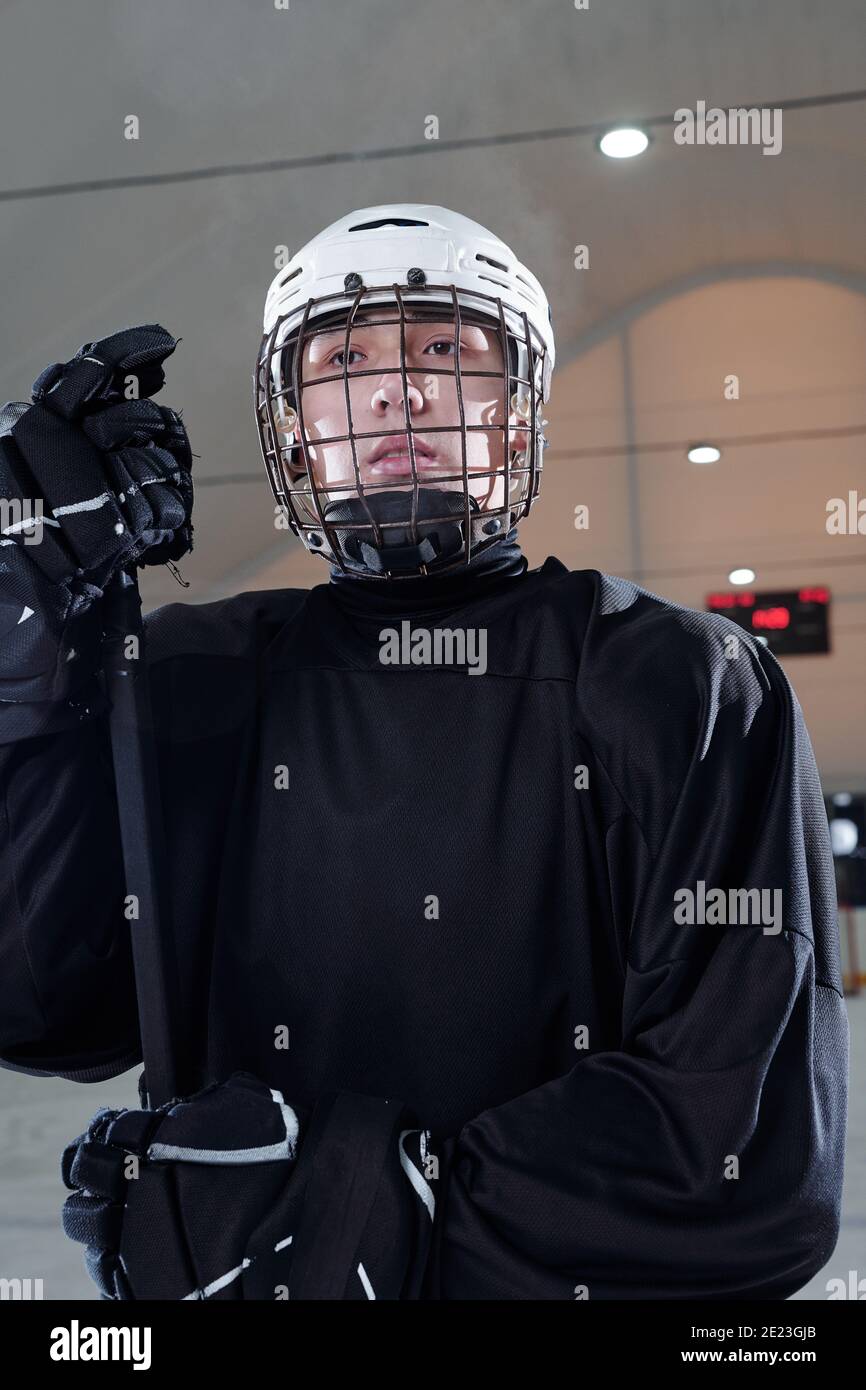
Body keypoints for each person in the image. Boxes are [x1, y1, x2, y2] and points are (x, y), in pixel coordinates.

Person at [0, 204, 849, 1300]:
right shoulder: (188, 678)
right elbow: (48, 1011)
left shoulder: (680, 682)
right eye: (343, 357)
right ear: (293, 424)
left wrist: (360, 1215)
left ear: (516, 411)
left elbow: (746, 1158)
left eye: (445, 348)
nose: (395, 387)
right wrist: (33, 686)